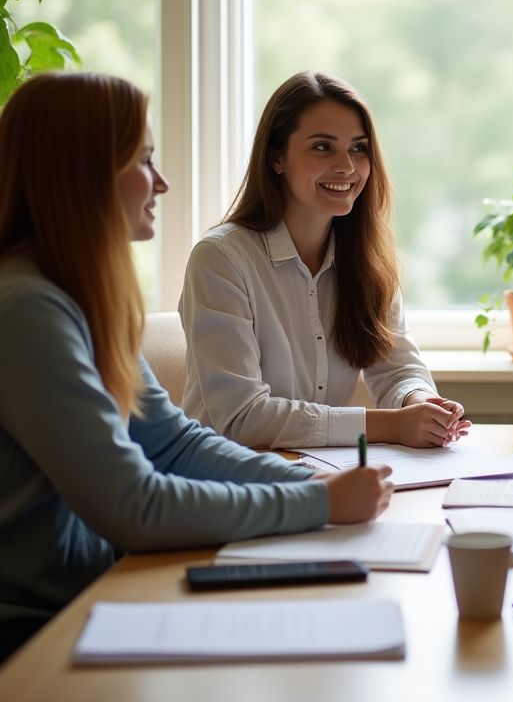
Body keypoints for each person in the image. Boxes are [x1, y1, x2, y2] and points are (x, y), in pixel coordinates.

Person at [0, 72, 393, 663]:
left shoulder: (75, 295)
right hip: (35, 629)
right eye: (144, 160)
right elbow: (137, 507)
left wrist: (309, 484)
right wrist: (318, 505)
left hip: (96, 593)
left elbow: (174, 443)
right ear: (79, 173)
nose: (161, 182)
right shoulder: (28, 310)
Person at [181, 72, 470, 449]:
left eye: (358, 148)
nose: (347, 167)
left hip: (321, 476)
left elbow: (398, 369)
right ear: (276, 158)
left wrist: (422, 405)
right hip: (225, 485)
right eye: (322, 148)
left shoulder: (367, 260)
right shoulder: (220, 260)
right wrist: (391, 426)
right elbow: (243, 418)